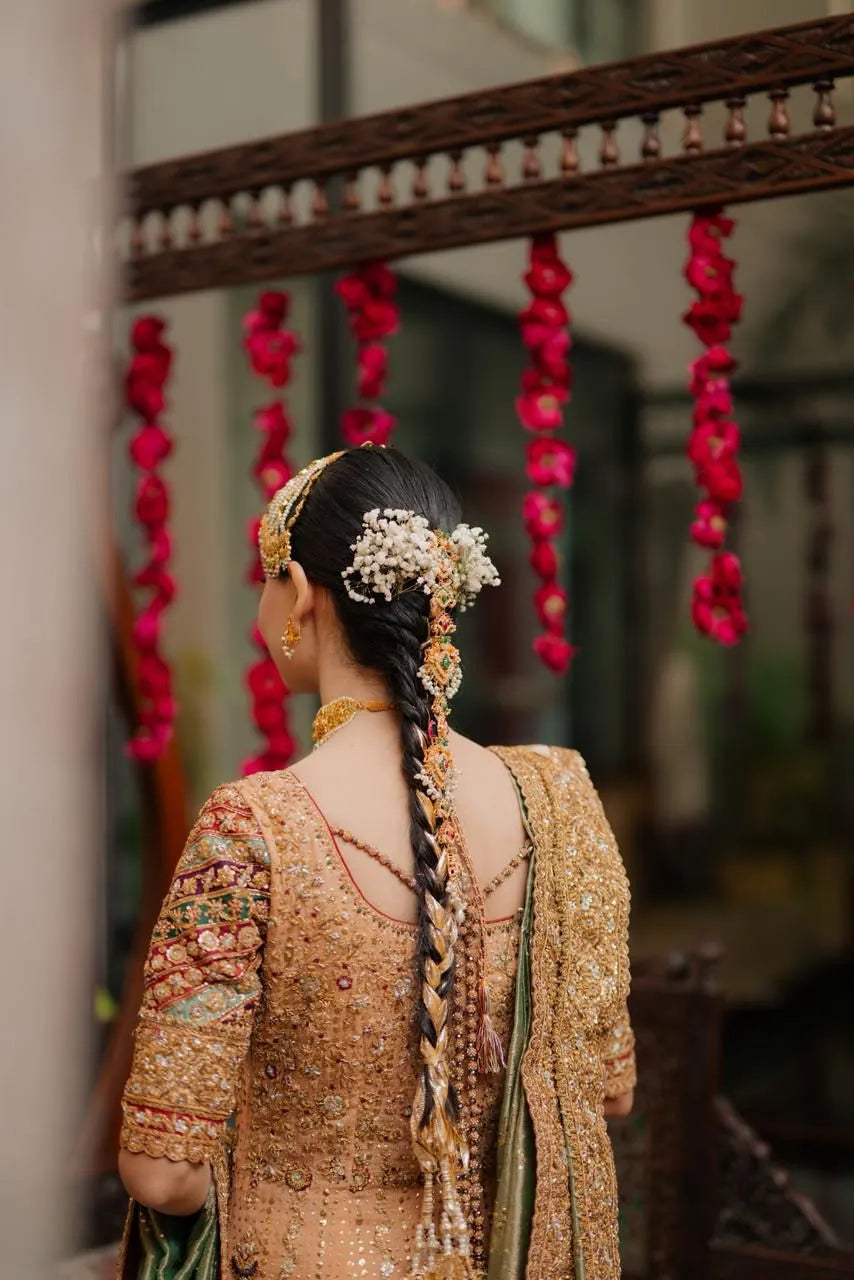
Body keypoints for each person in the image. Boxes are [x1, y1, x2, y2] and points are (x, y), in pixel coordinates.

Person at [117, 444, 635, 1280]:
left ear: (296, 597)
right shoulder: (562, 799)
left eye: (265, 576)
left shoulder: (252, 829)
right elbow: (608, 1093)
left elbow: (163, 1173)